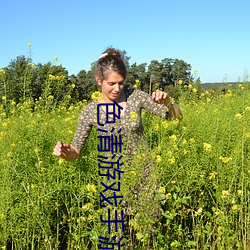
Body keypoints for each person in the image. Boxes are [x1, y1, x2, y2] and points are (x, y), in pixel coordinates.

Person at [53, 47, 182, 243]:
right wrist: (65, 152)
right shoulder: (91, 111)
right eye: (111, 83)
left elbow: (175, 119)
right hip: (113, 181)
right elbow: (76, 150)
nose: (117, 88)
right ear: (99, 81)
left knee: (150, 235)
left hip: (145, 176)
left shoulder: (135, 97)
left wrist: (169, 102)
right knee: (118, 239)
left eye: (121, 83)